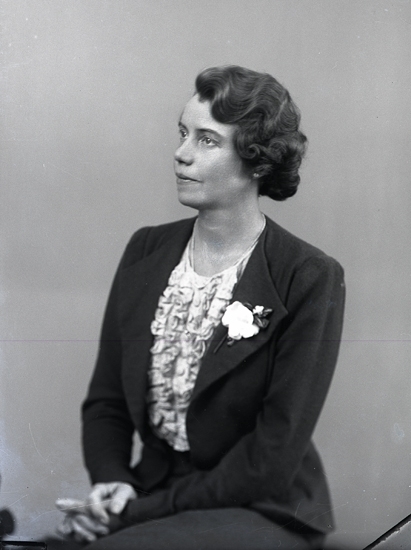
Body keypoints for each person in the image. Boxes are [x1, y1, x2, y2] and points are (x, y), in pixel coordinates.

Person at [56, 65, 345, 549]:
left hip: (259, 508)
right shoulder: (146, 250)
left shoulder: (308, 275)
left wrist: (130, 515)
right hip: (152, 495)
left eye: (207, 140)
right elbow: (106, 401)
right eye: (182, 133)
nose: (181, 153)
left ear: (258, 162)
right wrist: (112, 482)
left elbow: (269, 460)